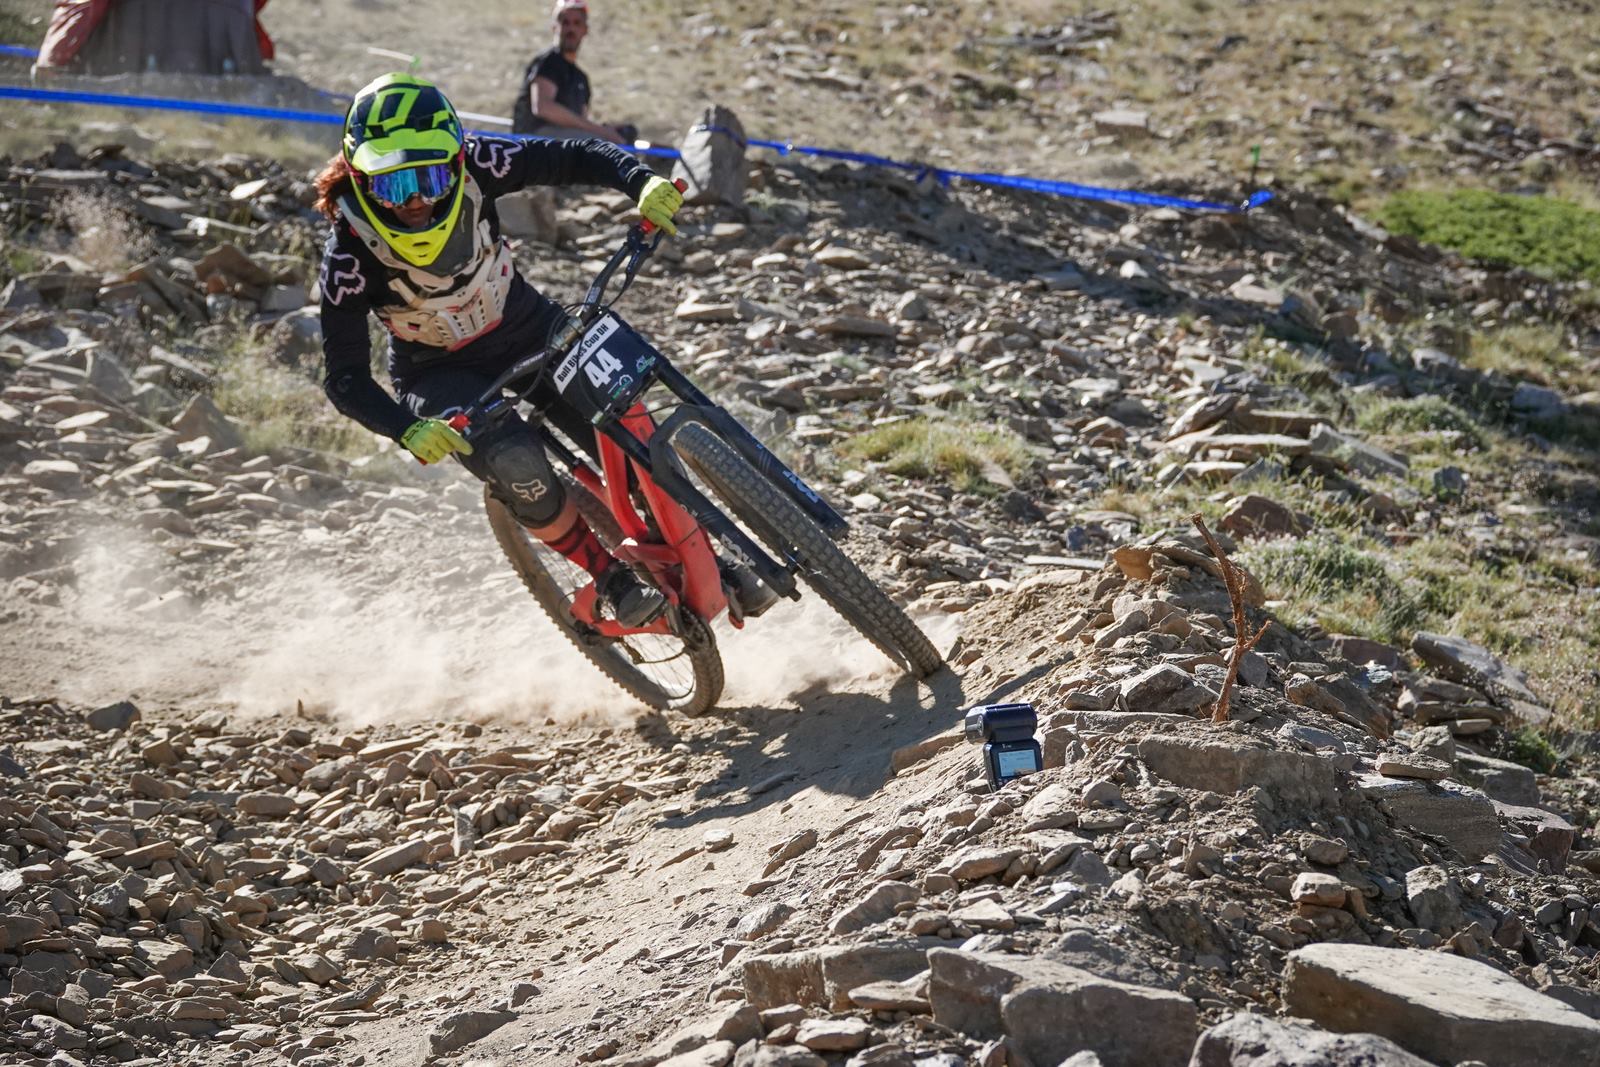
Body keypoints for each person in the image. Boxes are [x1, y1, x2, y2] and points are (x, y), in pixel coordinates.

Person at [312, 72, 683, 627]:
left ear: (459, 160)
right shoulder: (346, 260)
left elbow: (577, 156)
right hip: (438, 372)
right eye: (393, 184)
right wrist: (405, 428)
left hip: (526, 325)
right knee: (515, 462)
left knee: (630, 435)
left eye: (433, 179)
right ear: (360, 178)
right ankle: (611, 579)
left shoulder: (485, 160)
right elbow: (344, 378)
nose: (415, 201)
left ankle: (701, 551)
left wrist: (639, 180)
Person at [510, 0, 635, 144]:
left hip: (566, 143)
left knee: (626, 134)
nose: (571, 29)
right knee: (600, 147)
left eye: (577, 23)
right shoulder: (549, 62)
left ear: (585, 30)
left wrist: (607, 129)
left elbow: (580, 121)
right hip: (535, 142)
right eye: (565, 22)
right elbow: (543, 107)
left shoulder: (581, 78)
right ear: (554, 27)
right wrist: (600, 132)